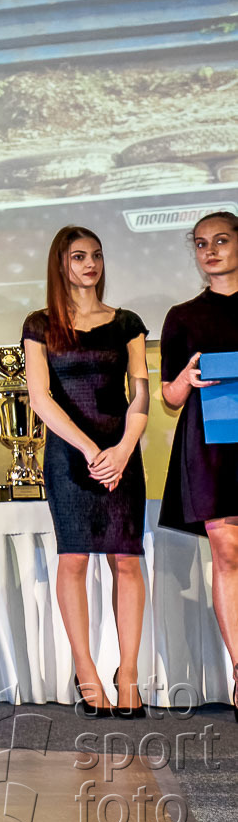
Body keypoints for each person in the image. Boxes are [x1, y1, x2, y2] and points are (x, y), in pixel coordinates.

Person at [21, 226, 149, 719]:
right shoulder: (40, 324)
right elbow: (40, 398)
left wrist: (122, 450)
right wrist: (92, 450)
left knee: (127, 561)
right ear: (61, 263)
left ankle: (129, 675)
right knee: (74, 558)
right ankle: (87, 673)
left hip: (121, 451)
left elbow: (140, 394)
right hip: (71, 454)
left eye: (96, 255)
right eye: (78, 256)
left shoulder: (127, 322)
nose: (90, 264)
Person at [157, 210, 238, 720]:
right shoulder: (182, 316)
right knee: (227, 553)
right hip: (210, 446)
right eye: (201, 243)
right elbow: (168, 396)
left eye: (221, 240)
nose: (210, 251)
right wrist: (187, 378)